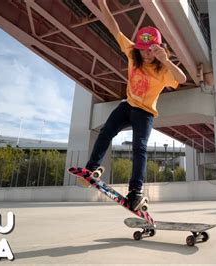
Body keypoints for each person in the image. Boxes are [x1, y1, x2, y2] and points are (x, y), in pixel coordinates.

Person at [78, 0, 187, 211]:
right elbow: (113, 28)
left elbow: (181, 78)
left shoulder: (163, 70)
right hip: (127, 105)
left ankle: (135, 192)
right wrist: (102, 5)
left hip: (145, 113)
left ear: (159, 49)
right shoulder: (131, 53)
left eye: (152, 50)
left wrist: (166, 61)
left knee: (140, 148)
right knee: (106, 131)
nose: (147, 54)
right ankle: (91, 168)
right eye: (144, 50)